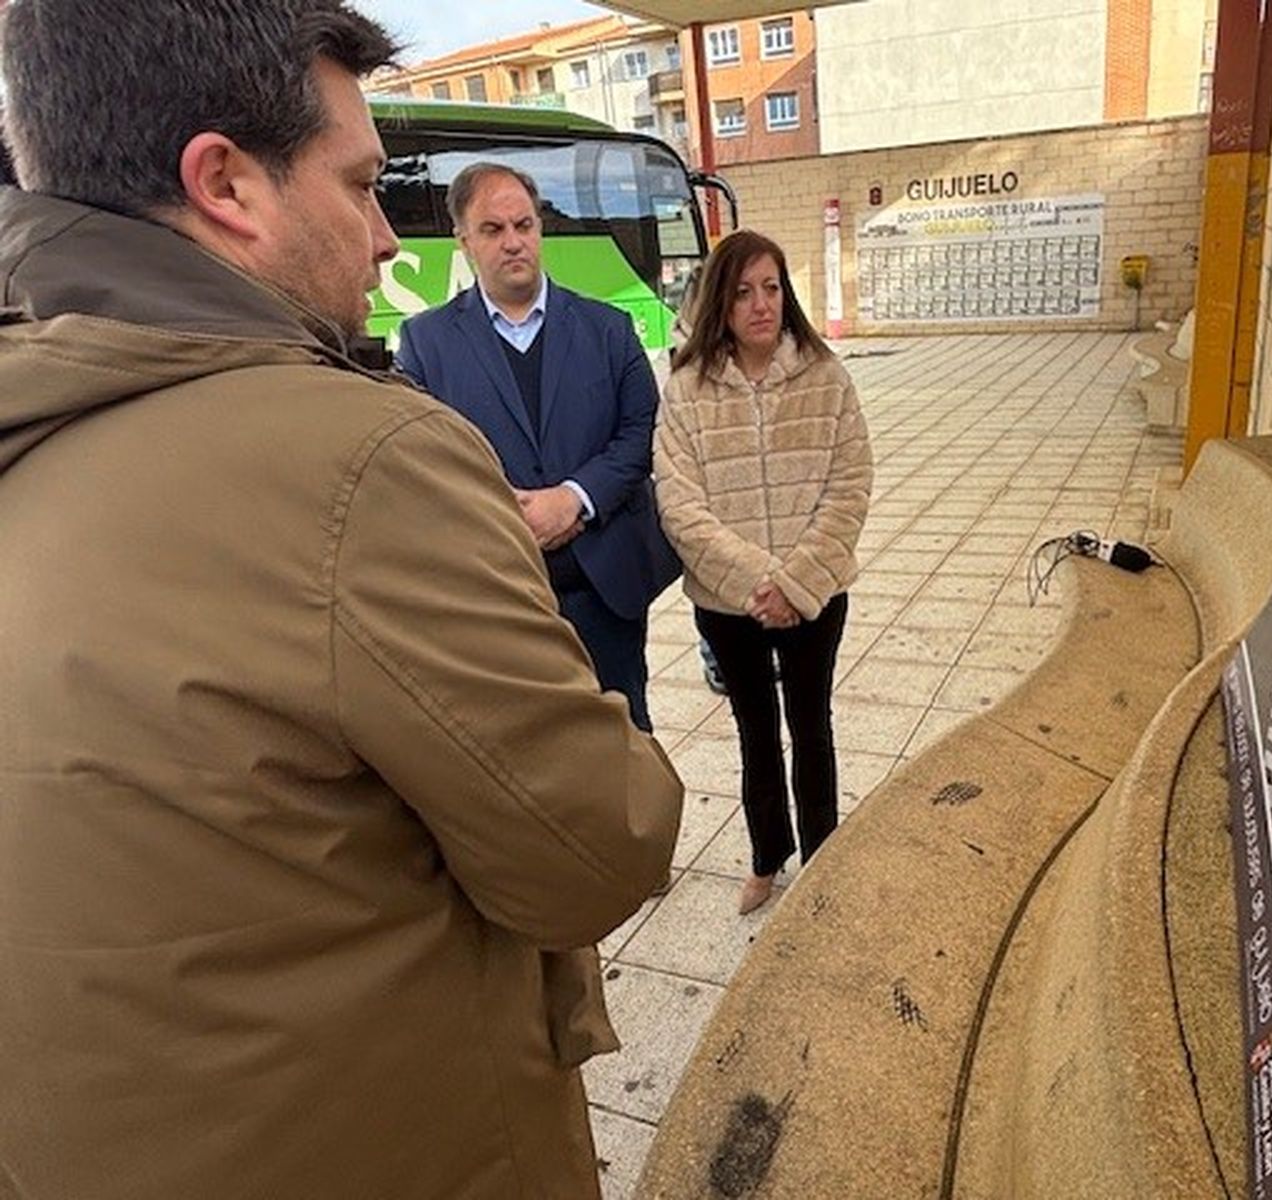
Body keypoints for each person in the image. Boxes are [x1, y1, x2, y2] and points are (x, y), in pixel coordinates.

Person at [0, 4, 682, 1198]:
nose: (382, 238)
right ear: (226, 184)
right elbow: (596, 850)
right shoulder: (362, 461)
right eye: (363, 184)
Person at [396, 164, 679, 732]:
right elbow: (420, 460)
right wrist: (504, 514)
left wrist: (574, 498)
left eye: (523, 225)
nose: (513, 242)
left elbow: (641, 432)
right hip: (494, 598)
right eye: (493, 229)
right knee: (520, 753)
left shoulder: (608, 329)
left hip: (604, 592)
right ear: (463, 240)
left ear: (539, 228)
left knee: (623, 744)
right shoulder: (425, 343)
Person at [654, 230, 873, 915]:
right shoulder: (687, 390)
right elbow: (680, 505)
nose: (761, 304)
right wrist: (759, 583)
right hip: (730, 605)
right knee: (755, 733)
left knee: (812, 726)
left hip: (815, 596)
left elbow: (850, 486)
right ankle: (765, 858)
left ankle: (823, 859)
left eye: (772, 288)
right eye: (744, 291)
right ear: (720, 301)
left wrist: (796, 585)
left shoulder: (827, 378)